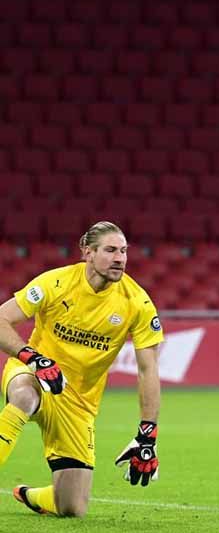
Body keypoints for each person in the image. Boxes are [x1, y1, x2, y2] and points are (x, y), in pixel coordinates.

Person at [0, 221, 164, 517]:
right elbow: (1, 319)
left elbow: (148, 369)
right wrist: (33, 358)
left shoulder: (137, 302)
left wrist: (147, 434)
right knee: (24, 397)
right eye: (111, 250)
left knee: (72, 507)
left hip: (79, 403)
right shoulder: (56, 282)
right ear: (88, 252)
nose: (120, 258)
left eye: (124, 251)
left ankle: (31, 495)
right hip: (39, 376)